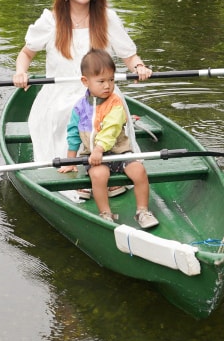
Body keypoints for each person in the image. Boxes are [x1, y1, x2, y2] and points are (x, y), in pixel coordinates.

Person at [12, 0, 153, 172]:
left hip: (102, 93)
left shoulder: (107, 18)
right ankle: (74, 168)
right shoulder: (51, 20)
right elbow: (26, 53)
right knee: (75, 111)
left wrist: (139, 67)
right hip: (60, 97)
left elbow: (130, 56)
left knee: (109, 109)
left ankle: (110, 167)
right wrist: (21, 72)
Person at [60, 49, 159, 228]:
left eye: (111, 80)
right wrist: (71, 160)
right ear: (85, 81)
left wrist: (99, 148)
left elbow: (111, 129)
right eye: (101, 81)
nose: (108, 86)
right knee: (99, 175)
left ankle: (142, 211)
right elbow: (73, 133)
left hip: (120, 152)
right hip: (95, 157)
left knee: (139, 171)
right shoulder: (80, 108)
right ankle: (105, 213)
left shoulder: (115, 103)